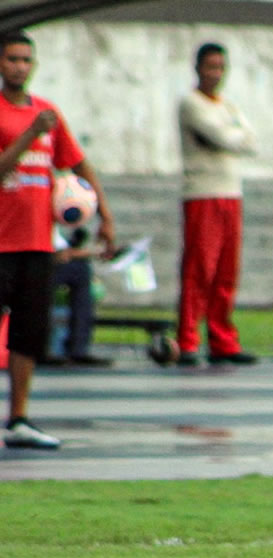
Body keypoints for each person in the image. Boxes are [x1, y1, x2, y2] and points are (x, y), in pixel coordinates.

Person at [0, 30, 116, 449]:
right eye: (13, 59)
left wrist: (105, 214)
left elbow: (80, 166)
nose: (20, 67)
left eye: (26, 60)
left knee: (29, 335)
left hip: (36, 244)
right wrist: (30, 134)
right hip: (1, 243)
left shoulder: (48, 112)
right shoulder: (24, 120)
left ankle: (19, 419)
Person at [176, 42, 257, 367]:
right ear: (197, 68)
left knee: (225, 271)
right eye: (210, 67)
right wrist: (232, 135)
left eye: (221, 68)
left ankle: (223, 340)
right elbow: (225, 138)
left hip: (230, 193)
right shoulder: (190, 103)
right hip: (202, 193)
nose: (215, 74)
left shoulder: (227, 105)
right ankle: (188, 340)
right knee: (199, 270)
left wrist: (233, 134)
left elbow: (250, 139)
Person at [41, 225, 112, 367]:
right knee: (43, 289)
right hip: (35, 255)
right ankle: (40, 348)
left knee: (80, 270)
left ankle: (78, 348)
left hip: (59, 253)